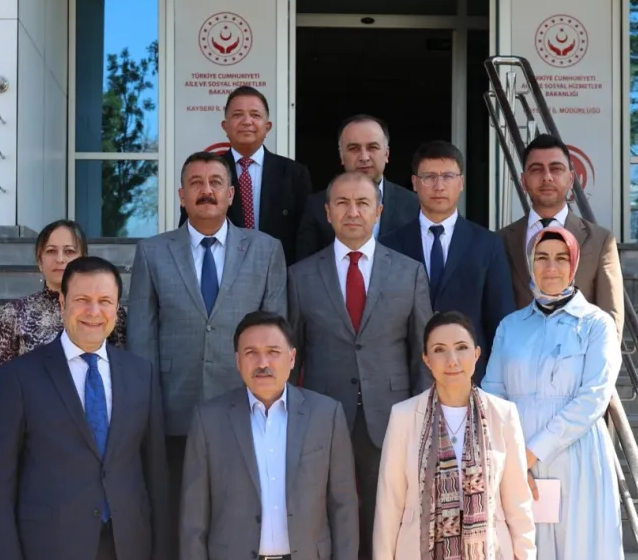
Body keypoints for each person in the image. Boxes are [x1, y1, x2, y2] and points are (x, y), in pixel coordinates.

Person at [128, 150, 288, 560]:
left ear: (231, 193)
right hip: (173, 417)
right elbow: (141, 340)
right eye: (195, 182)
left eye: (216, 181)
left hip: (245, 417)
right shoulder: (152, 252)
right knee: (177, 529)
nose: (206, 190)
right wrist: (146, 414)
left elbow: (275, 335)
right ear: (181, 195)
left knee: (241, 526)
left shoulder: (265, 250)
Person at [0, 256, 172, 560]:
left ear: (117, 308)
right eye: (82, 300)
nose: (93, 311)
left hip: (124, 557)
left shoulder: (141, 374)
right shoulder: (20, 376)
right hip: (45, 559)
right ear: (62, 302)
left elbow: (154, 472)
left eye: (105, 301)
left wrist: (159, 554)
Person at [287, 170, 433, 560]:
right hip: (320, 422)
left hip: (389, 424)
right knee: (318, 524)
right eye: (343, 203)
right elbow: (292, 354)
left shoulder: (408, 272)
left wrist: (419, 425)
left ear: (379, 211)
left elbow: (421, 356)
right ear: (327, 213)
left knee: (388, 527)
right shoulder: (300, 275)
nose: (353, 211)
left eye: (362, 203)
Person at [482, 227, 637, 560]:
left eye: (560, 258)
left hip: (575, 462)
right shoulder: (510, 326)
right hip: (515, 467)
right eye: (542, 257)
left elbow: (593, 396)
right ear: (530, 264)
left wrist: (532, 453)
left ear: (575, 265)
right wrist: (512, 457)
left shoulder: (596, 324)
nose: (550, 267)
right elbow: (491, 393)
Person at [179, 311, 360, 560]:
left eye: (273, 352)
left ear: (292, 357)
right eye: (251, 353)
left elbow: (343, 505)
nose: (263, 363)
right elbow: (194, 511)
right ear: (237, 360)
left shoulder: (326, 415)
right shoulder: (209, 419)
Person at [373, 311, 541, 560]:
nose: (452, 360)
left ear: (477, 354)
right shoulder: (404, 416)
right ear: (426, 359)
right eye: (440, 350)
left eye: (462, 347)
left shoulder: (503, 414)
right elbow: (389, 503)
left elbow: (518, 504)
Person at [381, 141, 514, 378]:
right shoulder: (390, 245)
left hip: (469, 375)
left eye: (448, 176)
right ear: (414, 183)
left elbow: (500, 320)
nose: (439, 186)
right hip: (406, 376)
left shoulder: (488, 244)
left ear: (461, 183)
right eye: (429, 177)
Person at [497, 134, 624, 336]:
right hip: (517, 354)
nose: (547, 177)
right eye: (536, 169)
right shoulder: (500, 241)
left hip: (579, 354)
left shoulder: (601, 241)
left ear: (571, 178)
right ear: (523, 181)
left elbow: (611, 320)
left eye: (556, 169)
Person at [177, 86, 313, 264]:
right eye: (237, 115)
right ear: (225, 126)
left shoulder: (294, 173)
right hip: (219, 272)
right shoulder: (206, 172)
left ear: (267, 127)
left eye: (255, 115)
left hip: (279, 271)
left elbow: (305, 238)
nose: (247, 121)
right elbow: (188, 229)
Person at [0, 219, 126, 376]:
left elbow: (121, 372)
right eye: (51, 251)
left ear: (84, 258)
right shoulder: (15, 312)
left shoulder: (107, 311)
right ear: (39, 261)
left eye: (69, 251)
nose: (60, 259)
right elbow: (2, 379)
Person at [296, 114, 421, 259]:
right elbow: (305, 267)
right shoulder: (316, 206)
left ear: (386, 154)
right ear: (341, 156)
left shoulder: (413, 204)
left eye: (372, 147)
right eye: (354, 148)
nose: (364, 157)